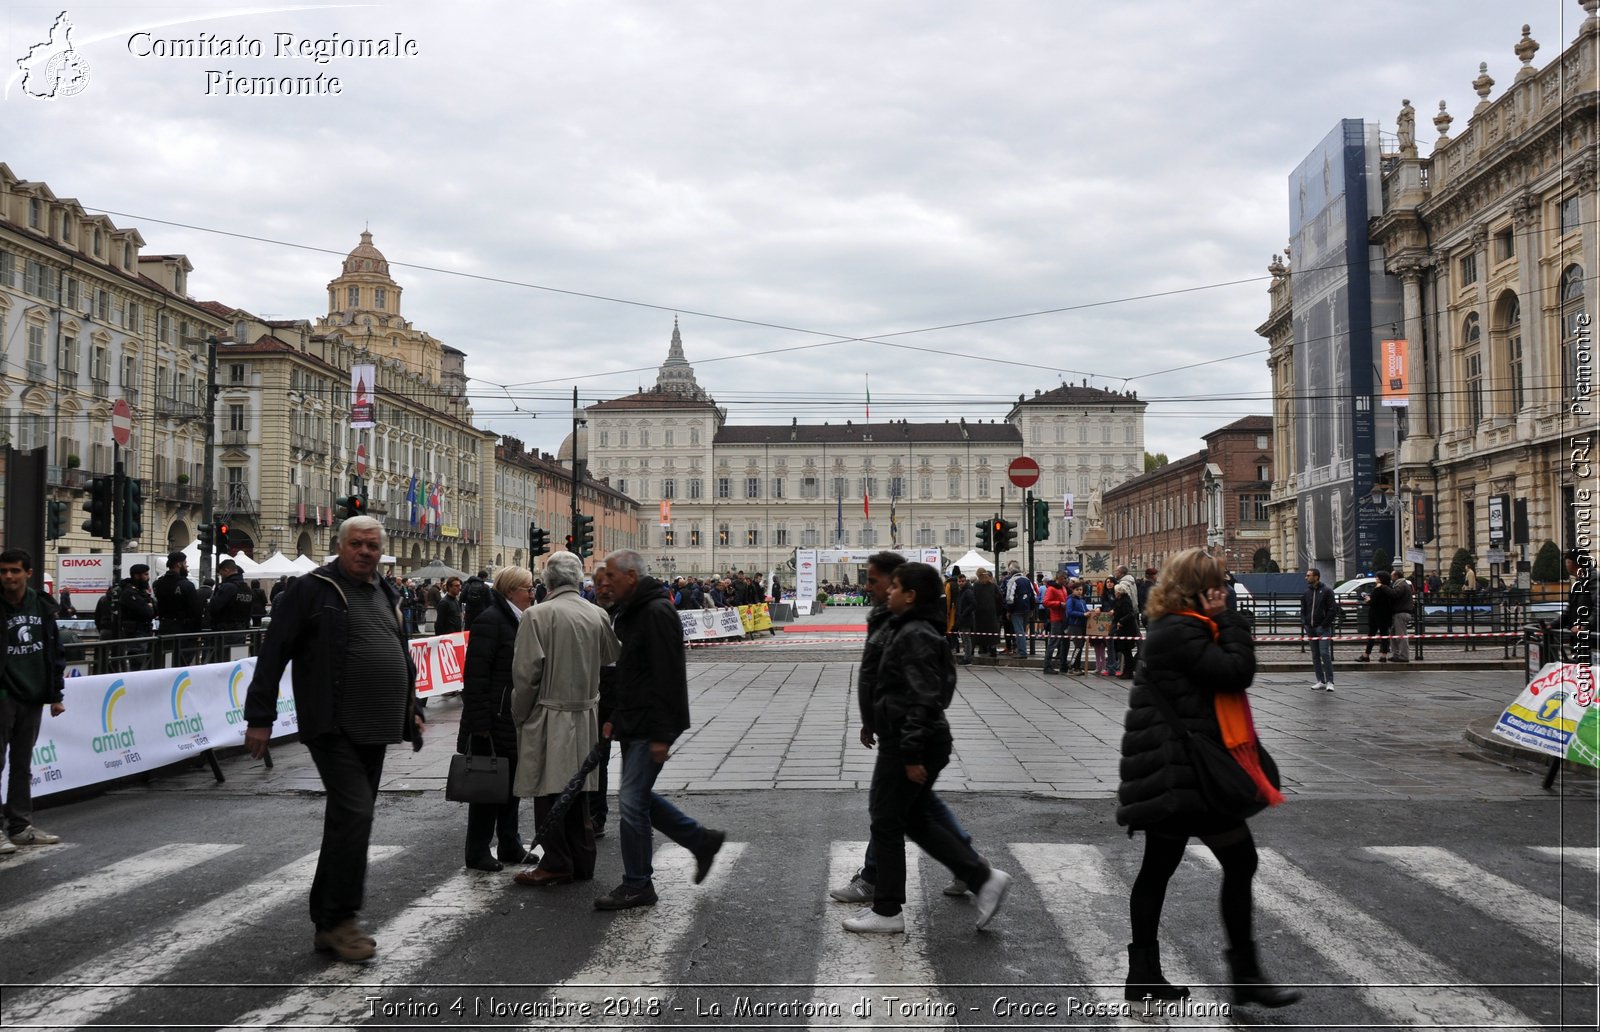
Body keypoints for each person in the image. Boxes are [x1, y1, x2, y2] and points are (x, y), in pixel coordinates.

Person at [1115, 547, 1298, 1009]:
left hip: (1176, 771)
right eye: (1218, 584)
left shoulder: (1177, 626)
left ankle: (1145, 974)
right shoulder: (1182, 629)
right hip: (1185, 775)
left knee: (1159, 870)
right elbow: (1236, 673)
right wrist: (1234, 621)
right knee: (1237, 862)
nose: (1225, 590)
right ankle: (1244, 974)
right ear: (1200, 589)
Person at [243, 516, 425, 963]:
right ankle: (341, 920)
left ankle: (327, 920)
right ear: (339, 546)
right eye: (358, 544)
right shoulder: (312, 590)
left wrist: (412, 707)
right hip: (332, 722)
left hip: (376, 725)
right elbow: (273, 653)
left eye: (373, 546)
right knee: (356, 813)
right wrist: (259, 718)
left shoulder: (386, 591)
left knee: (348, 819)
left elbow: (398, 652)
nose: (366, 552)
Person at [842, 561, 1010, 934]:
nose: (888, 591)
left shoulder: (915, 633)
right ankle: (982, 878)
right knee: (912, 820)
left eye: (895, 586)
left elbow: (926, 696)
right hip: (907, 737)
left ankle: (887, 910)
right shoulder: (911, 628)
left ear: (912, 595)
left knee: (886, 820)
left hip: (909, 741)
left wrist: (912, 752)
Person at [594, 549, 724, 910]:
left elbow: (669, 677)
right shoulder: (633, 611)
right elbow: (630, 672)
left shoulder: (655, 612)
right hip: (635, 718)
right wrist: (615, 715)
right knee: (639, 798)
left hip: (652, 723)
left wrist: (662, 735)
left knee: (632, 803)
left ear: (631, 577)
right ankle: (700, 840)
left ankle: (638, 884)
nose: (606, 583)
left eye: (612, 577)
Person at [511, 553, 620, 886]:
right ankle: (583, 859)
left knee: (548, 789)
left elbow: (527, 673)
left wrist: (520, 713)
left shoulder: (537, 615)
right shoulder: (597, 613)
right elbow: (611, 655)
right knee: (578, 790)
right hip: (585, 711)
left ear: (548, 581)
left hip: (549, 711)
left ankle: (556, 861)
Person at [457, 566, 535, 872]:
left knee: (511, 784)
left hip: (510, 716)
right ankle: (477, 850)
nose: (532, 593)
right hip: (492, 718)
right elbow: (475, 676)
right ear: (510, 591)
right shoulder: (491, 620)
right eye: (527, 589)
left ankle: (509, 843)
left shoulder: (519, 619)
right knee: (486, 787)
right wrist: (480, 723)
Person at [0, 549, 67, 854]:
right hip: (4, 696)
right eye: (3, 571)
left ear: (28, 573)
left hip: (32, 696)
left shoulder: (41, 605)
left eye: (14, 571)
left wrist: (55, 695)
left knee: (22, 765)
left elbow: (54, 651)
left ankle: (19, 827)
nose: (8, 577)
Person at [154, 551, 201, 666]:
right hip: (183, 630)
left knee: (165, 662)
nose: (187, 565)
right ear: (179, 564)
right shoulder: (186, 585)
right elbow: (195, 610)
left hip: (165, 627)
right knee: (182, 663)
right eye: (185, 563)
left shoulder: (158, 583)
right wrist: (197, 631)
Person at [208, 558, 253, 660]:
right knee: (236, 663)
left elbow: (214, 607)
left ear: (226, 570)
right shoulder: (246, 588)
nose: (221, 576)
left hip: (224, 632)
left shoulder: (227, 587)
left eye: (221, 573)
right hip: (240, 632)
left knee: (221, 663)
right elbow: (250, 611)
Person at [1300, 567, 1337, 691]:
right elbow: (1303, 610)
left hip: (1322, 628)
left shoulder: (1327, 591)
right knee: (1315, 655)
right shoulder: (1306, 593)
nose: (1306, 577)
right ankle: (1320, 680)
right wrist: (1305, 623)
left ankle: (1330, 681)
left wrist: (1324, 624)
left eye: (1308, 575)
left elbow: (1333, 609)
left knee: (1324, 653)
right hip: (1310, 628)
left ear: (1316, 577)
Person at [116, 564, 157, 670]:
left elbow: (155, 610)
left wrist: (150, 607)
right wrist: (149, 607)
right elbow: (147, 611)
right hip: (136, 633)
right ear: (137, 576)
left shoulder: (140, 591)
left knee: (145, 663)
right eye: (145, 574)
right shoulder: (130, 592)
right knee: (137, 663)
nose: (147, 577)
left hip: (145, 631)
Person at [1355, 571, 1395, 663]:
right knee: (1384, 636)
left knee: (1371, 636)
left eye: (1377, 578)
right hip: (1386, 615)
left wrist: (1368, 599)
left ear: (1381, 579)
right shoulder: (1389, 588)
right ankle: (1383, 656)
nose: (1376, 579)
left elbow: (1373, 602)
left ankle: (1366, 655)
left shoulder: (1378, 588)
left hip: (1376, 615)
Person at [968, 568, 1002, 661]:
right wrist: (998, 610)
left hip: (979, 613)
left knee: (979, 632)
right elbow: (999, 598)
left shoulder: (976, 585)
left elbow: (973, 599)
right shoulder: (993, 585)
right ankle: (993, 650)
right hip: (991, 612)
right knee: (992, 631)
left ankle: (978, 650)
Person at [1004, 565, 1037, 658]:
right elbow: (1033, 595)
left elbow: (1009, 598)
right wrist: (1032, 609)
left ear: (1010, 573)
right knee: (1022, 630)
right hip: (1026, 608)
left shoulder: (1012, 581)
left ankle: (1022, 652)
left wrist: (1009, 611)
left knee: (1019, 631)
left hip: (1016, 609)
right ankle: (1021, 650)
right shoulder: (1027, 580)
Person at [1040, 571, 1069, 673]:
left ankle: (1063, 665)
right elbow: (1045, 602)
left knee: (1065, 642)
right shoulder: (1052, 589)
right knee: (1053, 642)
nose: (1065, 580)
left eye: (1066, 578)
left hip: (1064, 618)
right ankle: (1047, 666)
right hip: (1056, 618)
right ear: (1058, 578)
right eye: (1064, 578)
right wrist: (1059, 604)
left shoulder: (1063, 588)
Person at [1112, 576, 1140, 679]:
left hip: (1127, 629)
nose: (1115, 593)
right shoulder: (1120, 600)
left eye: (1115, 592)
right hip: (1123, 629)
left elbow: (1130, 614)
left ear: (1119, 592)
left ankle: (1129, 672)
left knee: (1127, 652)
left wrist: (1121, 621)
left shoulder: (1125, 601)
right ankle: (1127, 671)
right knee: (1125, 651)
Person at [1388, 571, 1414, 663]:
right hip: (1400, 613)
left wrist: (1384, 588)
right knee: (1394, 634)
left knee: (1401, 635)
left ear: (1396, 576)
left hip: (1401, 613)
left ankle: (1403, 656)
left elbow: (1394, 594)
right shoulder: (1401, 584)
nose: (1391, 577)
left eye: (1392, 575)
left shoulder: (1401, 585)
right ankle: (1396, 654)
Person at [1064, 581, 1090, 673]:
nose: (1079, 591)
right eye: (1077, 590)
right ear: (1073, 590)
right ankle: (1072, 665)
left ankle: (1077, 666)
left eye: (1081, 590)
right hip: (1074, 625)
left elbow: (1086, 610)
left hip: (1082, 625)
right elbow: (1070, 612)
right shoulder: (1071, 599)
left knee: (1080, 647)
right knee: (1078, 646)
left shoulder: (1082, 600)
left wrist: (1090, 612)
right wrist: (1083, 614)